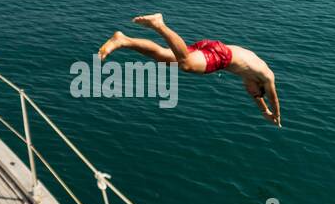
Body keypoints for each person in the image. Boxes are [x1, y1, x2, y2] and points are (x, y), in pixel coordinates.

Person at [99, 14, 281, 126]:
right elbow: (272, 98)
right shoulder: (266, 77)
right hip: (222, 55)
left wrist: (265, 112)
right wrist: (276, 116)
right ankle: (158, 24)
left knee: (164, 57)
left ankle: (123, 40)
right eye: (254, 93)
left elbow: (260, 100)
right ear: (260, 87)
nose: (249, 92)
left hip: (212, 47)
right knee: (187, 65)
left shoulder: (252, 79)